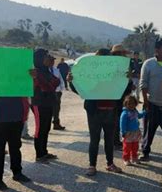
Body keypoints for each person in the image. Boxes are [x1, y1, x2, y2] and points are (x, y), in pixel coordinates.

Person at [68, 48, 123, 176]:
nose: (103, 62)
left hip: (111, 111)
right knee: (94, 139)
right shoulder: (89, 72)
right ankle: (92, 165)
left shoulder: (117, 73)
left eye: (106, 59)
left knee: (109, 140)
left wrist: (128, 80)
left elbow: (124, 91)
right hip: (94, 111)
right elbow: (81, 90)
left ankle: (110, 164)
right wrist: (71, 82)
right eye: (100, 59)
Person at [0, 92, 32, 190]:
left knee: (15, 147)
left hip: (17, 117)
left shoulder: (19, 76)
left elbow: (31, 82)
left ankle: (17, 172)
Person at [139, 38, 162, 161]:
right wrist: (146, 102)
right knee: (148, 131)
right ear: (157, 50)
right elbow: (143, 84)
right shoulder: (148, 64)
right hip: (151, 104)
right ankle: (145, 151)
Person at [32, 49, 60, 163]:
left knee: (46, 127)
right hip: (38, 104)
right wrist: (49, 84)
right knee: (40, 129)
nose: (49, 59)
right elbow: (48, 85)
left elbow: (56, 82)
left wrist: (50, 84)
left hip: (48, 103)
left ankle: (44, 151)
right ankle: (39, 154)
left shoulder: (46, 71)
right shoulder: (35, 73)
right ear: (40, 59)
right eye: (46, 57)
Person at [120, 95, 145, 166]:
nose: (131, 105)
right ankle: (126, 159)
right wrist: (123, 132)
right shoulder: (125, 114)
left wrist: (144, 112)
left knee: (135, 146)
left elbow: (139, 116)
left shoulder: (135, 111)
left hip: (135, 132)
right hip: (128, 133)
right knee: (127, 147)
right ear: (126, 104)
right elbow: (122, 124)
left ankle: (134, 158)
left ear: (135, 104)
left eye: (133, 103)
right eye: (129, 104)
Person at [50, 56, 66, 130]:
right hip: (49, 93)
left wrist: (61, 89)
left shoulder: (56, 70)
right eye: (51, 60)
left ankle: (56, 124)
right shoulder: (44, 71)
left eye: (53, 61)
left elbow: (61, 80)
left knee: (57, 108)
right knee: (49, 109)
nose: (52, 62)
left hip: (57, 92)